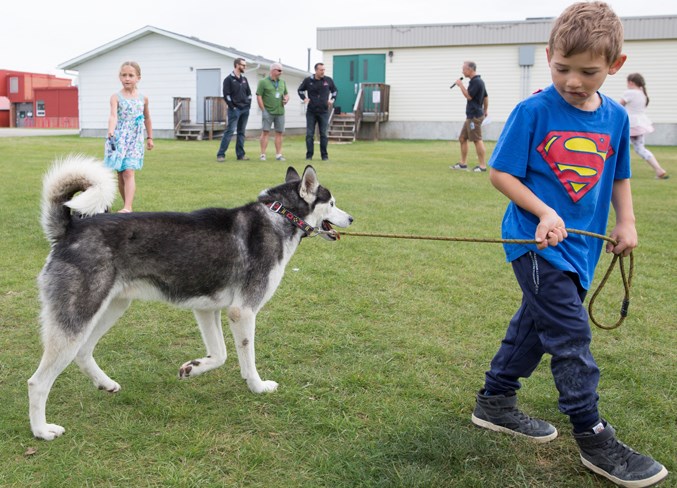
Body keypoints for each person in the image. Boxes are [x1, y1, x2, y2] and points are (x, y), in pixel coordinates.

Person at [471, 3, 668, 487]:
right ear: (548, 56)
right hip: (534, 243)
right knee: (570, 335)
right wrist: (544, 211)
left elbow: (619, 175)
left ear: (615, 67)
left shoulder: (617, 118)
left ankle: (495, 401)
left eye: (588, 71)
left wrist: (627, 221)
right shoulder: (533, 110)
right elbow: (501, 173)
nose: (573, 80)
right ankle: (595, 437)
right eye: (562, 68)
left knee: (537, 326)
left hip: (582, 248)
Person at [104, 61, 153, 213]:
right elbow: (113, 116)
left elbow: (147, 118)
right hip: (119, 138)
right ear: (120, 77)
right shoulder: (116, 97)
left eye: (130, 75)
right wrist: (111, 131)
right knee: (120, 172)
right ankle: (127, 205)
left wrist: (150, 137)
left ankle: (127, 207)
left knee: (129, 171)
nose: (127, 78)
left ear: (138, 78)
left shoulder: (143, 99)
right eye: (124, 75)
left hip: (135, 139)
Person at [620, 73, 669, 179]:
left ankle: (618, 171)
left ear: (631, 82)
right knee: (640, 148)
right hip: (640, 124)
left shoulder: (630, 92)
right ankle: (658, 169)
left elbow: (619, 106)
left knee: (617, 146)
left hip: (630, 124)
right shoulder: (642, 93)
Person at [450, 61, 488, 173]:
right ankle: (463, 163)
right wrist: (486, 110)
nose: (462, 71)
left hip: (474, 116)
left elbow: (469, 96)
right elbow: (486, 97)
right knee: (462, 138)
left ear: (470, 69)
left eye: (464, 69)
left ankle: (482, 166)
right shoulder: (477, 81)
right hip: (471, 115)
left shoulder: (476, 82)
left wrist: (460, 85)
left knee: (477, 139)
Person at [297, 63, 338, 161]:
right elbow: (300, 90)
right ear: (316, 70)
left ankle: (324, 156)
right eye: (321, 70)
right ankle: (309, 156)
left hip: (323, 112)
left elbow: (335, 91)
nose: (323, 71)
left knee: (323, 134)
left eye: (324, 70)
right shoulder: (308, 80)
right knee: (309, 134)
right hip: (311, 111)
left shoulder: (328, 80)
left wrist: (332, 100)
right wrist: (305, 99)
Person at [216, 58, 252, 162]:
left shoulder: (244, 79)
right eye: (243, 65)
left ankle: (240, 155)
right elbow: (226, 95)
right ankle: (220, 155)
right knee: (230, 131)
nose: (244, 67)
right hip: (234, 110)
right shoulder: (228, 79)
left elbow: (249, 94)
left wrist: (248, 105)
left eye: (245, 65)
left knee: (241, 132)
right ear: (237, 65)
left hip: (245, 110)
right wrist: (233, 107)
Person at [256, 63, 289, 161]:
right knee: (265, 132)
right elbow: (259, 96)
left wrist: (286, 99)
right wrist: (263, 110)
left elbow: (286, 94)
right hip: (268, 111)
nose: (281, 72)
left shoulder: (282, 82)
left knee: (279, 133)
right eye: (279, 70)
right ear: (273, 70)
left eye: (281, 70)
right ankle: (263, 154)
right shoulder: (263, 82)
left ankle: (278, 155)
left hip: (280, 112)